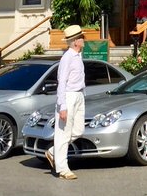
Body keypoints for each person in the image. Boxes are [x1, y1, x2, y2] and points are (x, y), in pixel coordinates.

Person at [46, 23, 86, 180]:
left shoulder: (78, 56)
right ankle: (63, 169)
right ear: (75, 41)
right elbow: (61, 82)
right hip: (68, 96)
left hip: (79, 95)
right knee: (63, 134)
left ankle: (53, 152)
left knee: (79, 130)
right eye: (82, 37)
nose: (84, 39)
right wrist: (62, 105)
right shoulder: (67, 58)